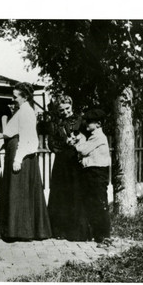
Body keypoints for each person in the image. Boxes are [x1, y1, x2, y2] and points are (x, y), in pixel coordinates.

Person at [0, 82, 52, 241]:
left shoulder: (27, 112)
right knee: (17, 193)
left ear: (25, 97)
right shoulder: (22, 111)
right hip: (15, 152)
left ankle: (21, 231)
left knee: (19, 193)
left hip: (21, 156)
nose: (12, 99)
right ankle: (16, 230)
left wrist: (18, 159)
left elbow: (27, 138)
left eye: (15, 97)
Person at [47, 95, 89, 241]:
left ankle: (76, 232)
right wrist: (65, 142)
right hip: (61, 162)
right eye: (61, 110)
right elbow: (51, 143)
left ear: (71, 106)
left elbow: (88, 137)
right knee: (60, 194)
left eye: (67, 109)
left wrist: (78, 141)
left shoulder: (80, 120)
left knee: (75, 193)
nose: (65, 112)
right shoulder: (55, 123)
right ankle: (59, 231)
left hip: (76, 161)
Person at [74, 109, 112, 246]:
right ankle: (98, 234)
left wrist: (78, 141)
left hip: (97, 173)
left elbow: (82, 150)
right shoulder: (92, 135)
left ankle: (104, 235)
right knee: (94, 203)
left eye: (89, 122)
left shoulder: (98, 136)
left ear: (98, 124)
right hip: (92, 172)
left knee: (99, 202)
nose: (86, 124)